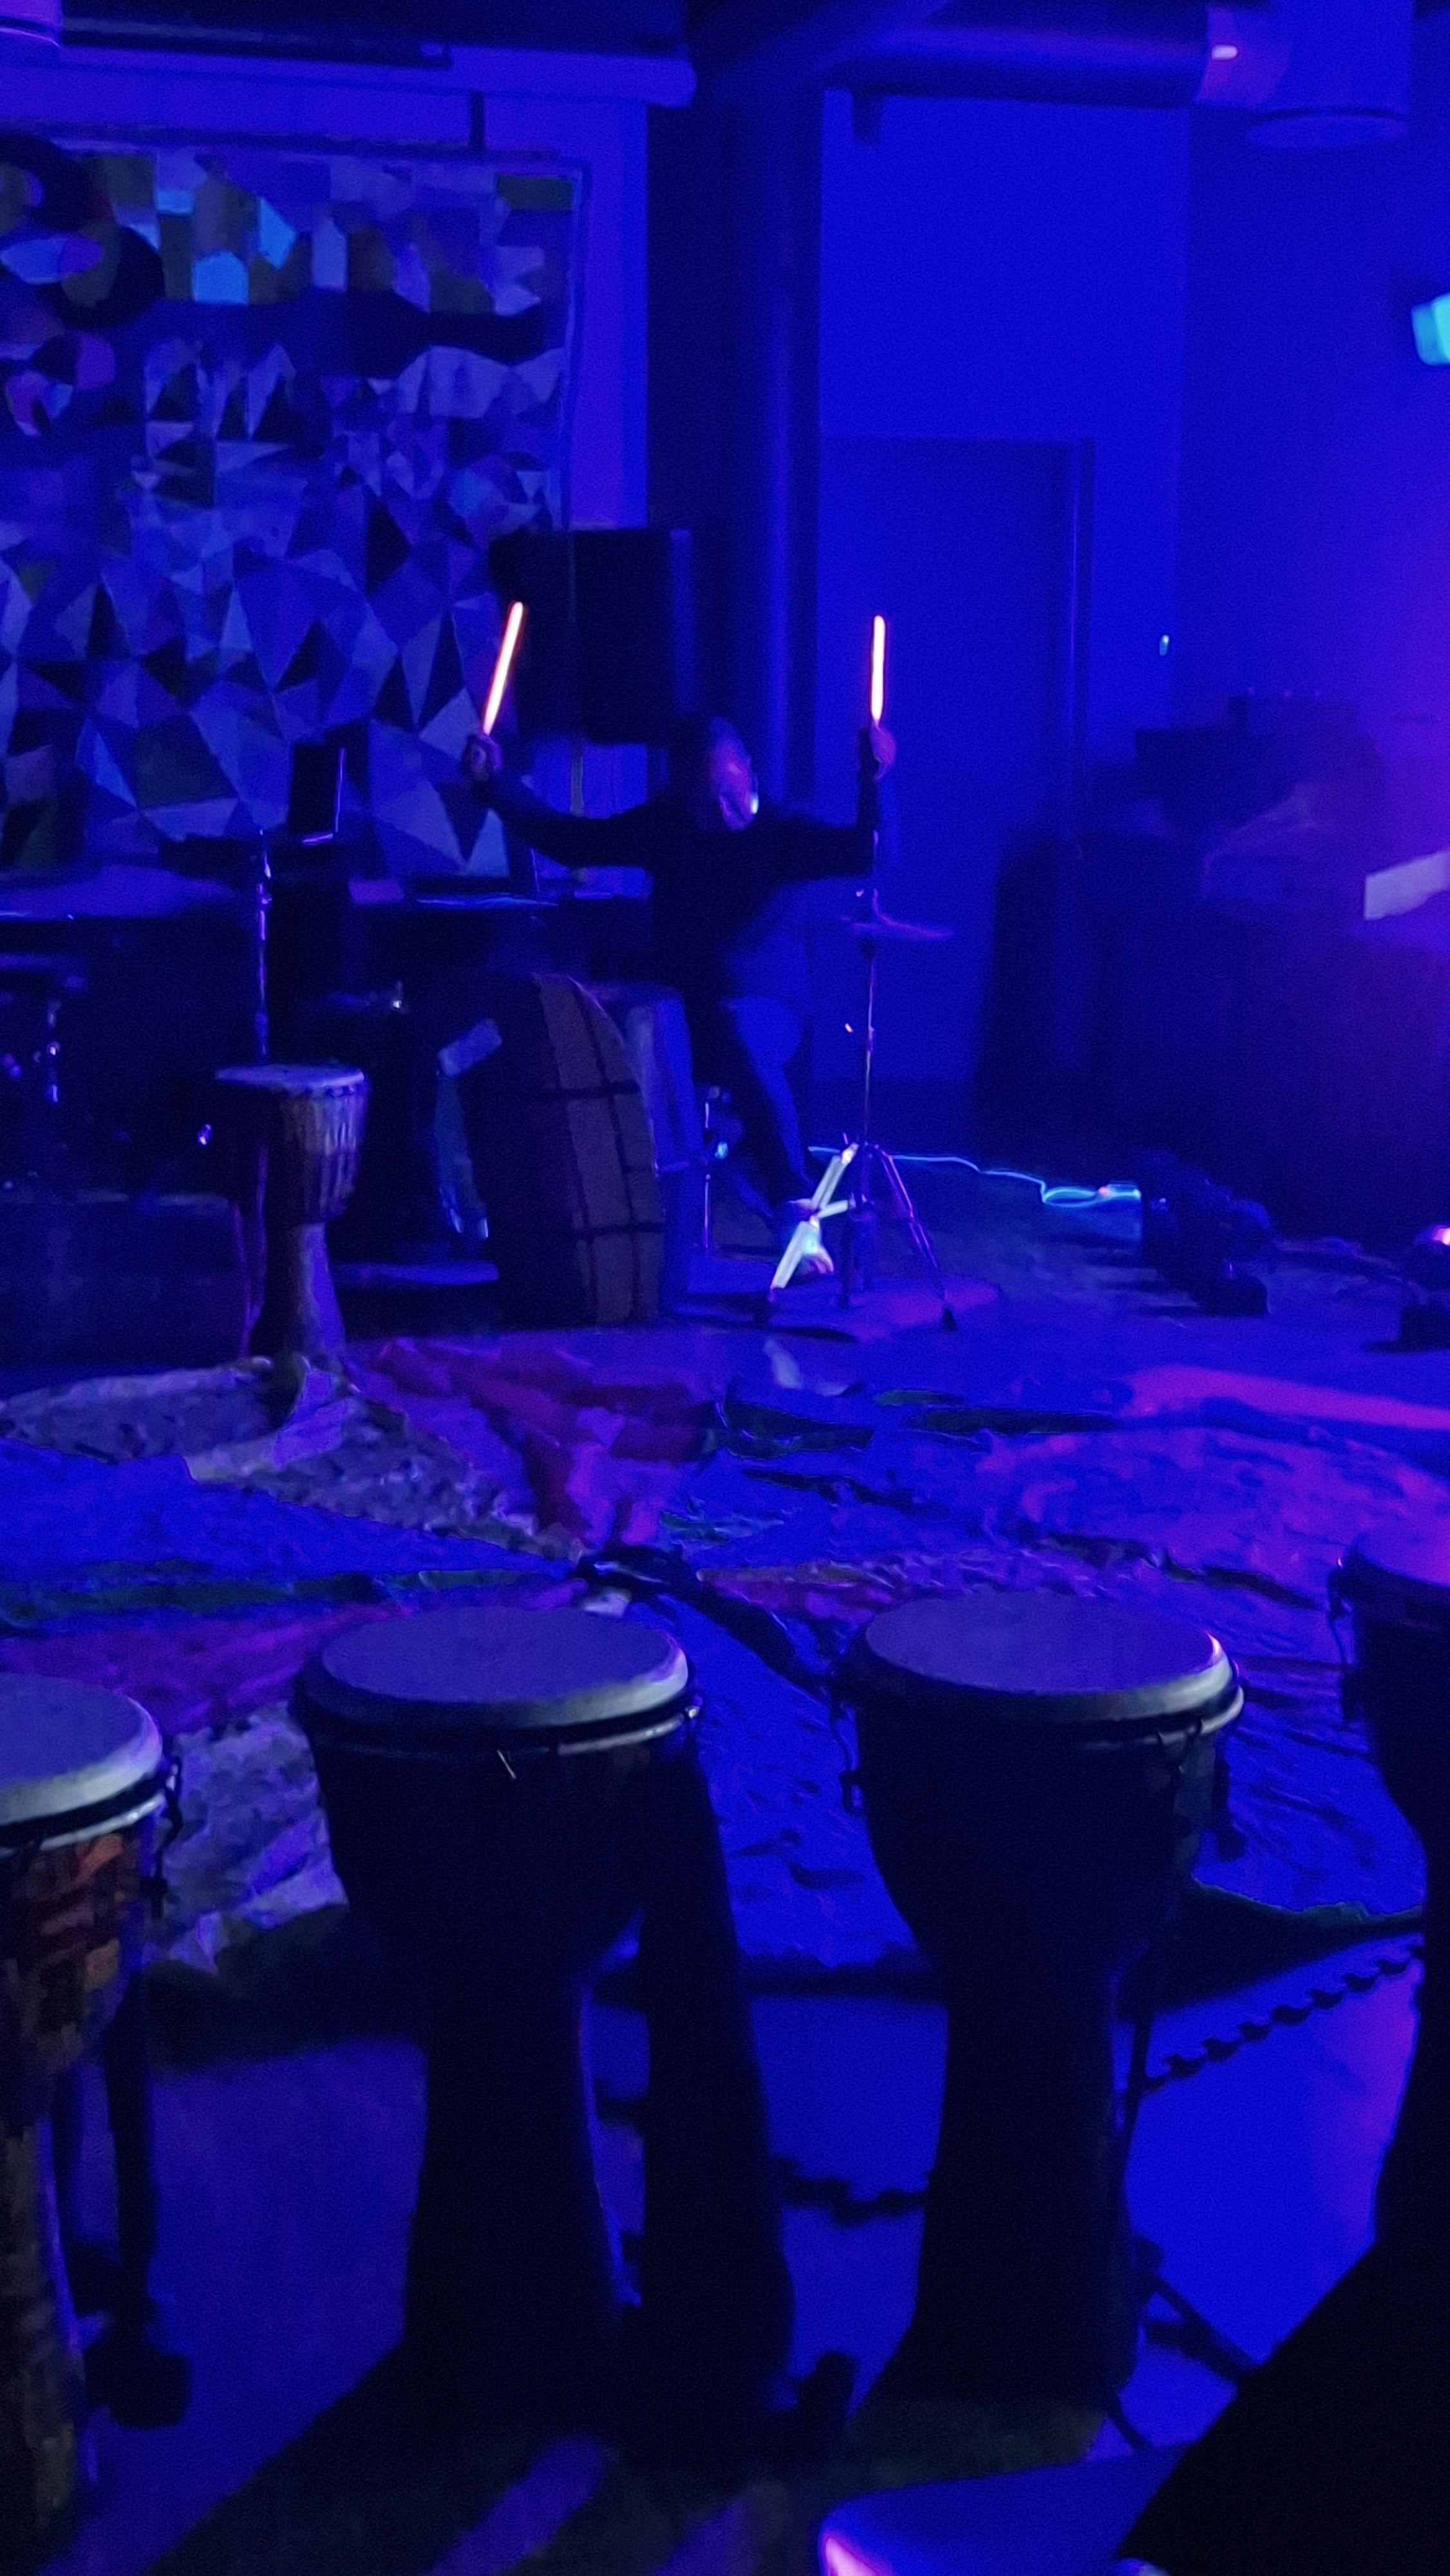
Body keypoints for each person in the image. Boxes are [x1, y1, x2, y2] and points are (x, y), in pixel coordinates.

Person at [462, 713, 896, 1268]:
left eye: (729, 796)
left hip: (769, 1011)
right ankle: (584, 1218)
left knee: (737, 1028)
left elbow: (867, 852)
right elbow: (573, 841)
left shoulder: (784, 833)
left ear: (749, 771)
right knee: (585, 1029)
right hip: (679, 1017)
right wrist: (494, 786)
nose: (722, 814)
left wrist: (875, 782)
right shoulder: (667, 826)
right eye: (705, 803)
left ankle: (795, 1208)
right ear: (681, 793)